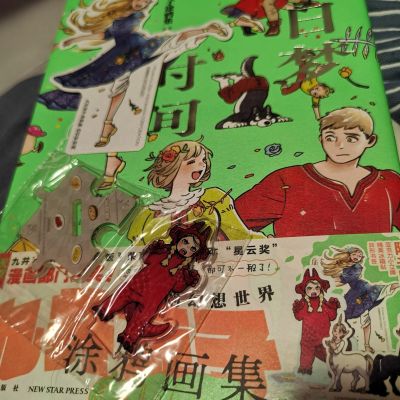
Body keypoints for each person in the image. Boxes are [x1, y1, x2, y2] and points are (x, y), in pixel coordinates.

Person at [38, 0, 229, 188]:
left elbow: (175, 36)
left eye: (146, 2)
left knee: (169, 47)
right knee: (108, 94)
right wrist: (73, 40)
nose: (143, 3)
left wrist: (204, 29)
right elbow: (103, 35)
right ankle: (107, 134)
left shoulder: (138, 21)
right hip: (113, 62)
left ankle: (107, 134)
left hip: (138, 54)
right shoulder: (122, 18)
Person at [235, 107, 400, 237]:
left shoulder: (389, 181)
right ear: (321, 139)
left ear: (370, 140)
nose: (340, 145)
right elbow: (231, 223)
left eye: (351, 138)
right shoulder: (287, 180)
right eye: (330, 137)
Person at [93, 222, 211, 353]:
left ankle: (129, 337)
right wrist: (153, 249)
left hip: (152, 299)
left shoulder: (182, 271)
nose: (186, 248)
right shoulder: (163, 252)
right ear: (179, 239)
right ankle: (105, 309)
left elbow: (178, 288)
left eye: (193, 248)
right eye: (185, 242)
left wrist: (188, 280)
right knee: (122, 295)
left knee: (142, 315)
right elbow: (147, 259)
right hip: (138, 284)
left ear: (195, 253)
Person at [128, 139, 263, 244]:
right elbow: (136, 249)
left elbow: (239, 233)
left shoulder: (214, 196)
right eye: (192, 161)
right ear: (172, 168)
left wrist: (268, 244)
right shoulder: (147, 213)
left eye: (203, 160)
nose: (202, 165)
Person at [321, 246, 399, 353]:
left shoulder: (357, 267)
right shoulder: (345, 266)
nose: (357, 257)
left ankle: (365, 345)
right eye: (355, 254)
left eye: (359, 256)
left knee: (387, 288)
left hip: (365, 290)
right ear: (349, 254)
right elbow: (337, 279)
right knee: (347, 318)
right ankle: (357, 344)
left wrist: (326, 281)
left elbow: (340, 281)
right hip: (354, 295)